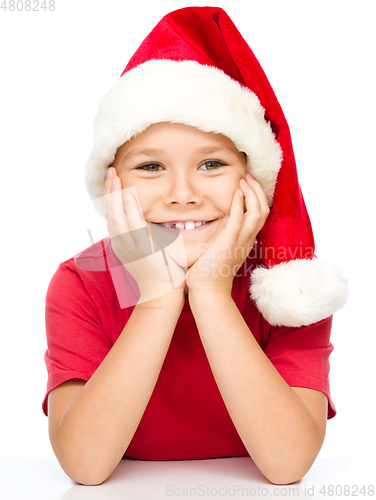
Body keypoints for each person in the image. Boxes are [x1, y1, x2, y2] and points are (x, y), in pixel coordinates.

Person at [43, 6, 348, 487]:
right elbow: (84, 466)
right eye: (149, 167)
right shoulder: (80, 282)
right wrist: (159, 297)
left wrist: (209, 292)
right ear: (111, 182)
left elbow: (287, 465)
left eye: (211, 164)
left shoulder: (289, 288)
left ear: (253, 177)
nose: (182, 193)